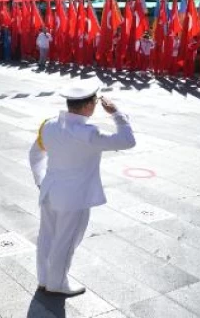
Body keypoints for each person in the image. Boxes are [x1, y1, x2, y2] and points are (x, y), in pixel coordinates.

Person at [29, 84, 135, 296]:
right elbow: (127, 141)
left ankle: (44, 279)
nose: (95, 106)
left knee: (47, 237)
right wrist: (116, 113)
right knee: (66, 241)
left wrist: (41, 181)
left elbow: (34, 156)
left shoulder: (48, 125)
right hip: (74, 198)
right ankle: (57, 284)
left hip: (49, 191)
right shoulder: (88, 133)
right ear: (87, 106)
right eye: (94, 102)